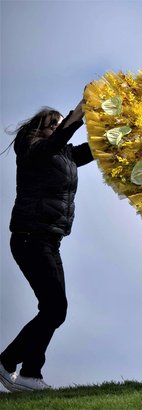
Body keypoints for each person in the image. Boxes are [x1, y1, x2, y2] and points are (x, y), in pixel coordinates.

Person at [0, 98, 94, 392]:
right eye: (52, 124)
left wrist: (125, 130)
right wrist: (76, 115)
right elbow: (56, 142)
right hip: (31, 237)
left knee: (53, 309)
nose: (56, 129)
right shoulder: (32, 150)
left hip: (48, 239)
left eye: (58, 125)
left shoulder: (63, 154)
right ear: (38, 129)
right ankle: (9, 364)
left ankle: (28, 373)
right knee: (55, 309)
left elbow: (92, 150)